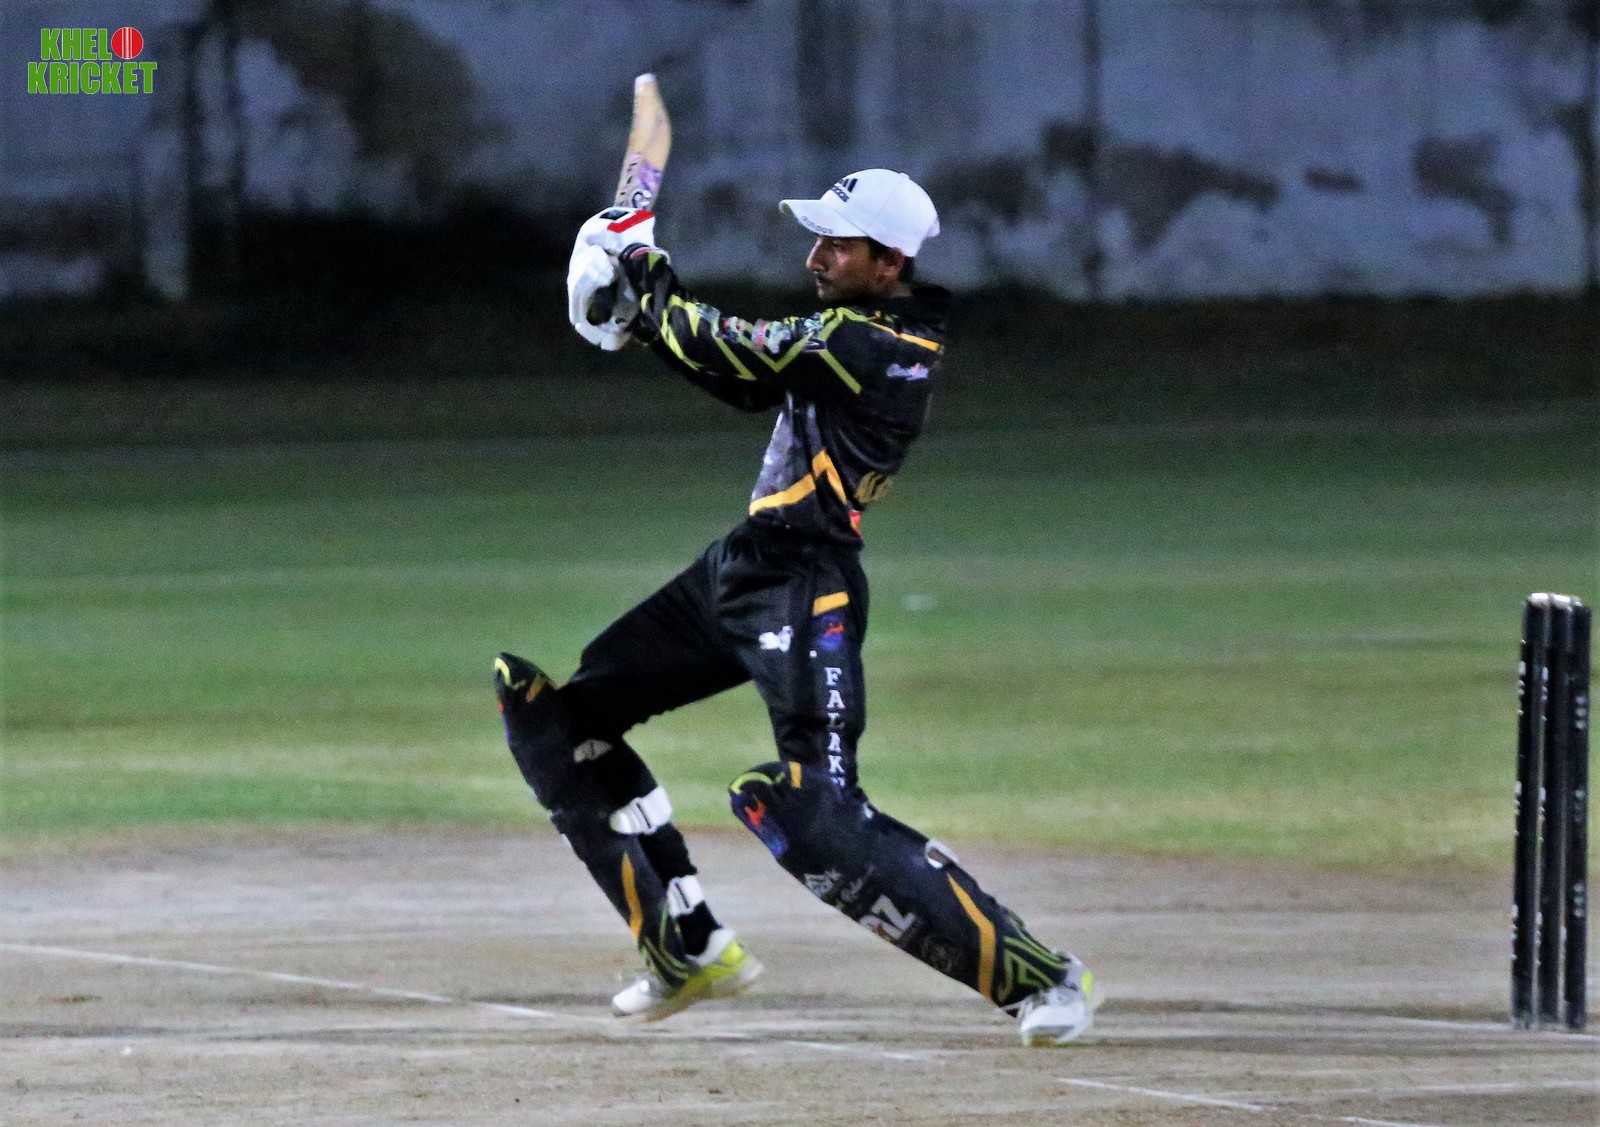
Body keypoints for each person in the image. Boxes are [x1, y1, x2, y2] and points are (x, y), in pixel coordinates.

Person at [494, 169, 1097, 1046]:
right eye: (817, 240)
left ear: (889, 263)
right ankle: (687, 946)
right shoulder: (848, 331)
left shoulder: (880, 342)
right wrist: (638, 311)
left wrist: (643, 275)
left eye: (837, 246)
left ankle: (1041, 977)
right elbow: (741, 377)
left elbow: (740, 348)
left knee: (816, 811)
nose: (815, 258)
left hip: (807, 584)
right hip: (741, 569)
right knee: (560, 725)